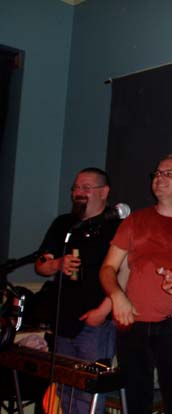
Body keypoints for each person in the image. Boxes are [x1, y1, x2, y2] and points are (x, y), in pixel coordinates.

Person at [99, 154, 172, 414]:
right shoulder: (135, 220)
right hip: (134, 324)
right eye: (157, 173)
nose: (159, 178)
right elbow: (108, 268)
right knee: (136, 402)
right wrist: (117, 296)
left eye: (168, 174)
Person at [35, 167, 120, 414]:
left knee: (89, 393)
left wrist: (102, 312)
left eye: (86, 187)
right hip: (63, 319)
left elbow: (126, 275)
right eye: (76, 188)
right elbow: (41, 265)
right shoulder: (64, 224)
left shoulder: (117, 226)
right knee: (63, 388)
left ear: (104, 192)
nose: (79, 192)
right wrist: (57, 264)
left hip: (96, 323)